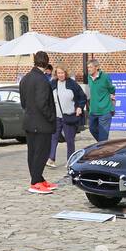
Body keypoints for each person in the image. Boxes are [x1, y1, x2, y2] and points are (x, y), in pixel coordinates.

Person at [20, 50, 57, 193]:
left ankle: (39, 178)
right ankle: (35, 182)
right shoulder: (42, 80)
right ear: (46, 62)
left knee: (33, 152)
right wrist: (51, 117)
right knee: (41, 153)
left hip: (29, 120)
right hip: (41, 123)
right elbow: (43, 104)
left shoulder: (25, 78)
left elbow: (23, 102)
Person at [49, 65, 87, 166]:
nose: (60, 75)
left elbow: (82, 97)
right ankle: (51, 159)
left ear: (66, 73)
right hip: (56, 116)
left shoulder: (72, 84)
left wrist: (79, 107)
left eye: (62, 73)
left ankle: (70, 160)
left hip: (69, 116)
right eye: (58, 73)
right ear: (55, 74)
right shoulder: (52, 83)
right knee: (53, 138)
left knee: (69, 140)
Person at [85, 59, 115, 143]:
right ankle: (105, 146)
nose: (89, 69)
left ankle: (103, 148)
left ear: (97, 67)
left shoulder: (105, 77)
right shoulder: (89, 77)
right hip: (93, 111)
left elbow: (112, 89)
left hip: (105, 111)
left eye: (90, 67)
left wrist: (112, 104)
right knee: (92, 129)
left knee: (103, 136)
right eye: (88, 67)